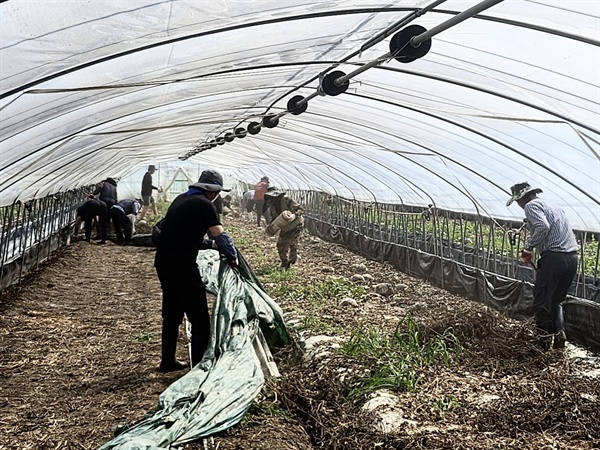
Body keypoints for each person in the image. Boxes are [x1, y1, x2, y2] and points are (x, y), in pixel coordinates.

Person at [154, 169, 239, 372]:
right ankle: (200, 369)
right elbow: (220, 234)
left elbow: (179, 233)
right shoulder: (205, 204)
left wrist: (209, 246)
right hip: (183, 266)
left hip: (164, 263)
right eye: (217, 191)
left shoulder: (180, 200)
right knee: (200, 320)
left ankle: (167, 362)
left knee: (172, 315)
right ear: (212, 191)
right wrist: (233, 257)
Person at [506, 181, 578, 351]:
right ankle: (560, 334)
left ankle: (543, 346)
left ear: (520, 198)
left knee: (542, 301)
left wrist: (527, 247)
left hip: (554, 258)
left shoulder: (530, 206)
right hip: (571, 258)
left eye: (517, 202)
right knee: (556, 300)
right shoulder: (553, 206)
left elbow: (542, 226)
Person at [263, 188, 304, 270]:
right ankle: (284, 262)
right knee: (280, 244)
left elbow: (301, 209)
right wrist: (271, 226)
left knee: (293, 243)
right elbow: (275, 219)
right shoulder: (272, 206)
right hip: (285, 227)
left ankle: (291, 262)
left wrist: (294, 215)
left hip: (296, 224)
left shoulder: (286, 199)